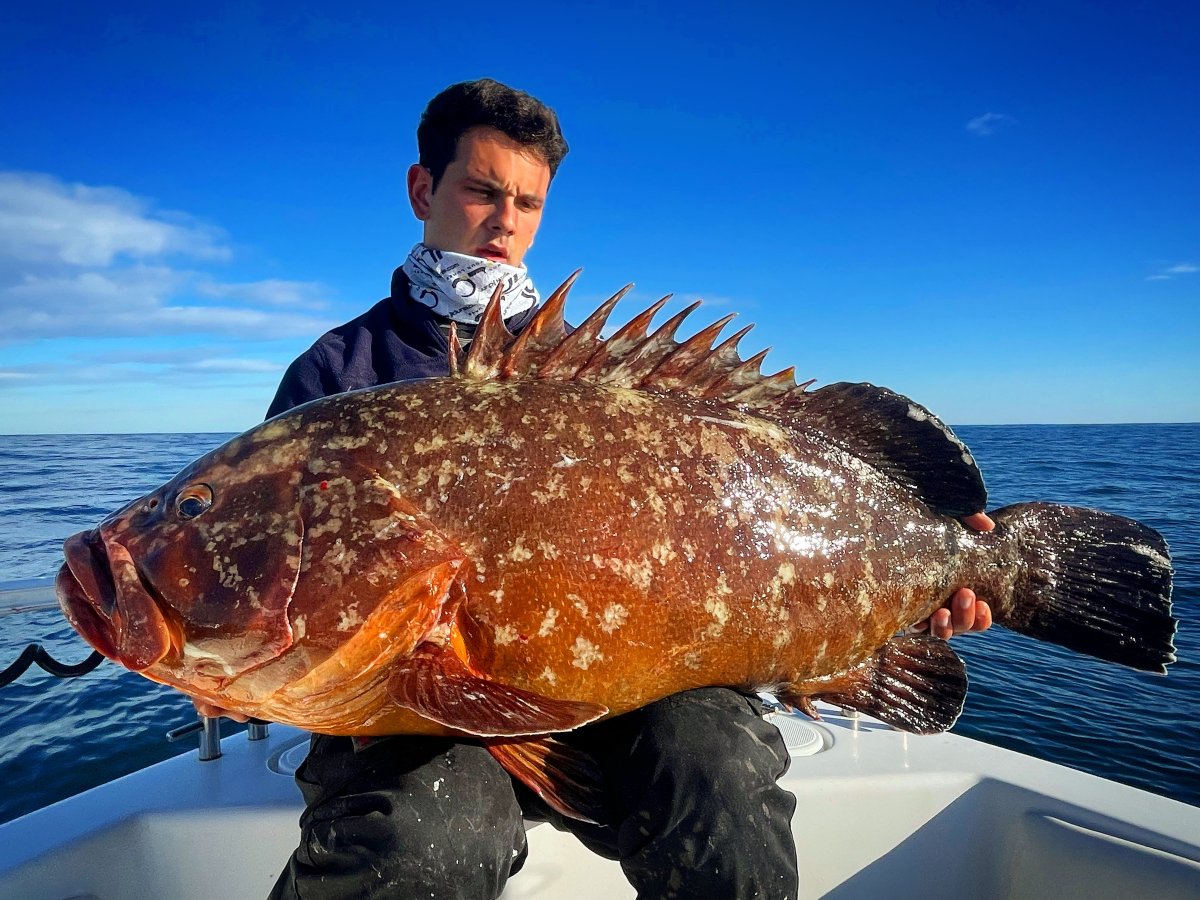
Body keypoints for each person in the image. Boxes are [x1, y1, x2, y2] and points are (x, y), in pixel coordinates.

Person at [196, 78, 994, 900]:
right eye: (481, 190)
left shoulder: (600, 378)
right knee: (423, 836)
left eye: (528, 202)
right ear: (422, 188)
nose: (505, 220)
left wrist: (922, 579)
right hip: (406, 709)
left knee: (715, 773)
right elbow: (282, 584)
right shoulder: (336, 377)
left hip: (638, 698)